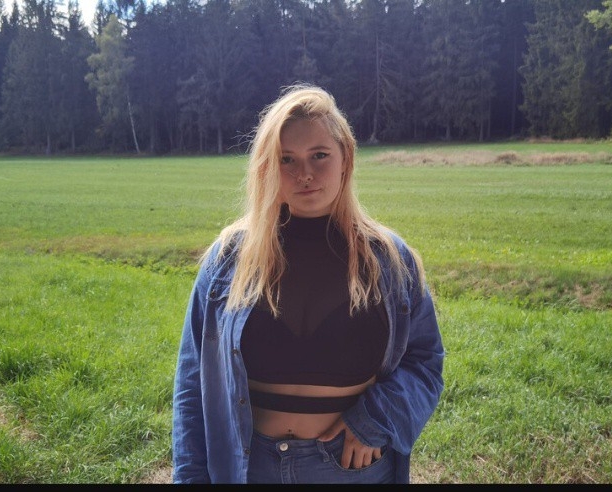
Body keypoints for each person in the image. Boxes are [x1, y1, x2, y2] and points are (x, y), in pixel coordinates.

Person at [171, 84, 444, 484]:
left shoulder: (389, 260)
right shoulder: (228, 259)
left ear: (345, 157)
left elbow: (425, 362)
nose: (305, 174)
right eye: (287, 159)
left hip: (352, 470)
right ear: (267, 167)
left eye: (319, 155)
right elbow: (192, 383)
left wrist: (375, 420)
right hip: (249, 469)